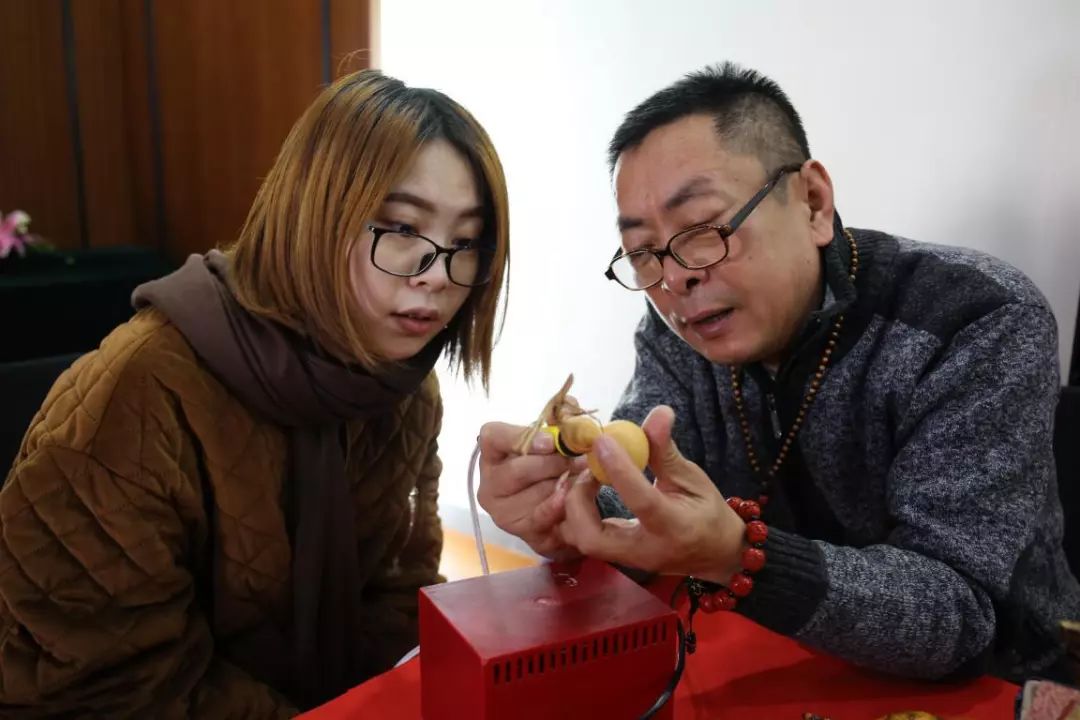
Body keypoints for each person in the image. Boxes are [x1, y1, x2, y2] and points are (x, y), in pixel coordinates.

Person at [478, 62, 1080, 684]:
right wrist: (565, 503)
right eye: (643, 251)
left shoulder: (975, 318)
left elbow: (957, 616)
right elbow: (651, 492)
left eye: (703, 229)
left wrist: (739, 555)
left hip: (998, 685)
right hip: (768, 655)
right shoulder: (677, 330)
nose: (675, 278)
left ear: (813, 202)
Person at [0, 70, 509, 716]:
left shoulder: (405, 389)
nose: (436, 274)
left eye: (465, 243)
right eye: (403, 228)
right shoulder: (138, 394)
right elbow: (120, 683)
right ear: (311, 215)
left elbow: (398, 595)